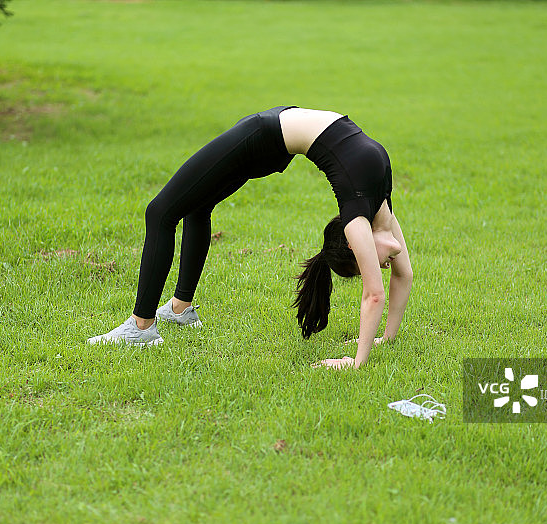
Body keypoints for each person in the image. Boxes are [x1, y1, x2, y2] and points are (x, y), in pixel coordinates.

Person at [87, 106, 413, 369]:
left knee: (179, 208)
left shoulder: (378, 212)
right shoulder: (360, 217)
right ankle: (160, 318)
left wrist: (385, 338)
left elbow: (404, 275)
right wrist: (357, 361)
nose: (382, 265)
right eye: (369, 262)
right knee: (163, 212)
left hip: (276, 140)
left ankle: (154, 323)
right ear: (356, 245)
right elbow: (375, 295)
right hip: (262, 134)